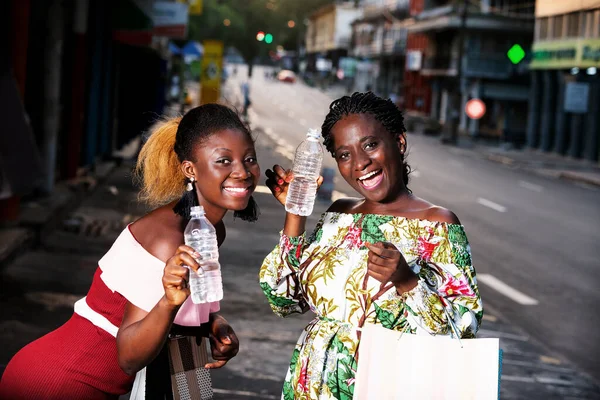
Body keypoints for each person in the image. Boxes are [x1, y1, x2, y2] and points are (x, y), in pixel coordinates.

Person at [0, 104, 261, 400]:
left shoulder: (207, 230)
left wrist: (213, 324)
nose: (242, 171)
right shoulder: (169, 239)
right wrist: (169, 303)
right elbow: (129, 356)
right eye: (224, 161)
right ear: (191, 169)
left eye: (249, 158)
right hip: (61, 383)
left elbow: (177, 303)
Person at [260, 92, 483, 399]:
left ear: (399, 143)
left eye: (370, 144)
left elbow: (464, 327)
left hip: (385, 384)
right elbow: (282, 300)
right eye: (344, 154)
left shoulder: (438, 223)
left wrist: (408, 282)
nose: (361, 163)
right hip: (311, 384)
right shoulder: (339, 214)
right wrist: (295, 213)